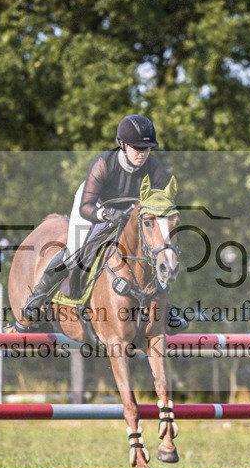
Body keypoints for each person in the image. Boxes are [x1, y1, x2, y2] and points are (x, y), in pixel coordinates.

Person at [22, 114, 185, 330]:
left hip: (131, 216)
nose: (142, 153)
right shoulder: (103, 163)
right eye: (136, 147)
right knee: (74, 250)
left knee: (156, 251)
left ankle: (163, 307)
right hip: (95, 206)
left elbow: (155, 207)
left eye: (146, 148)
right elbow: (86, 207)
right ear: (122, 144)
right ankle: (38, 296)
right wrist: (107, 215)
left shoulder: (154, 168)